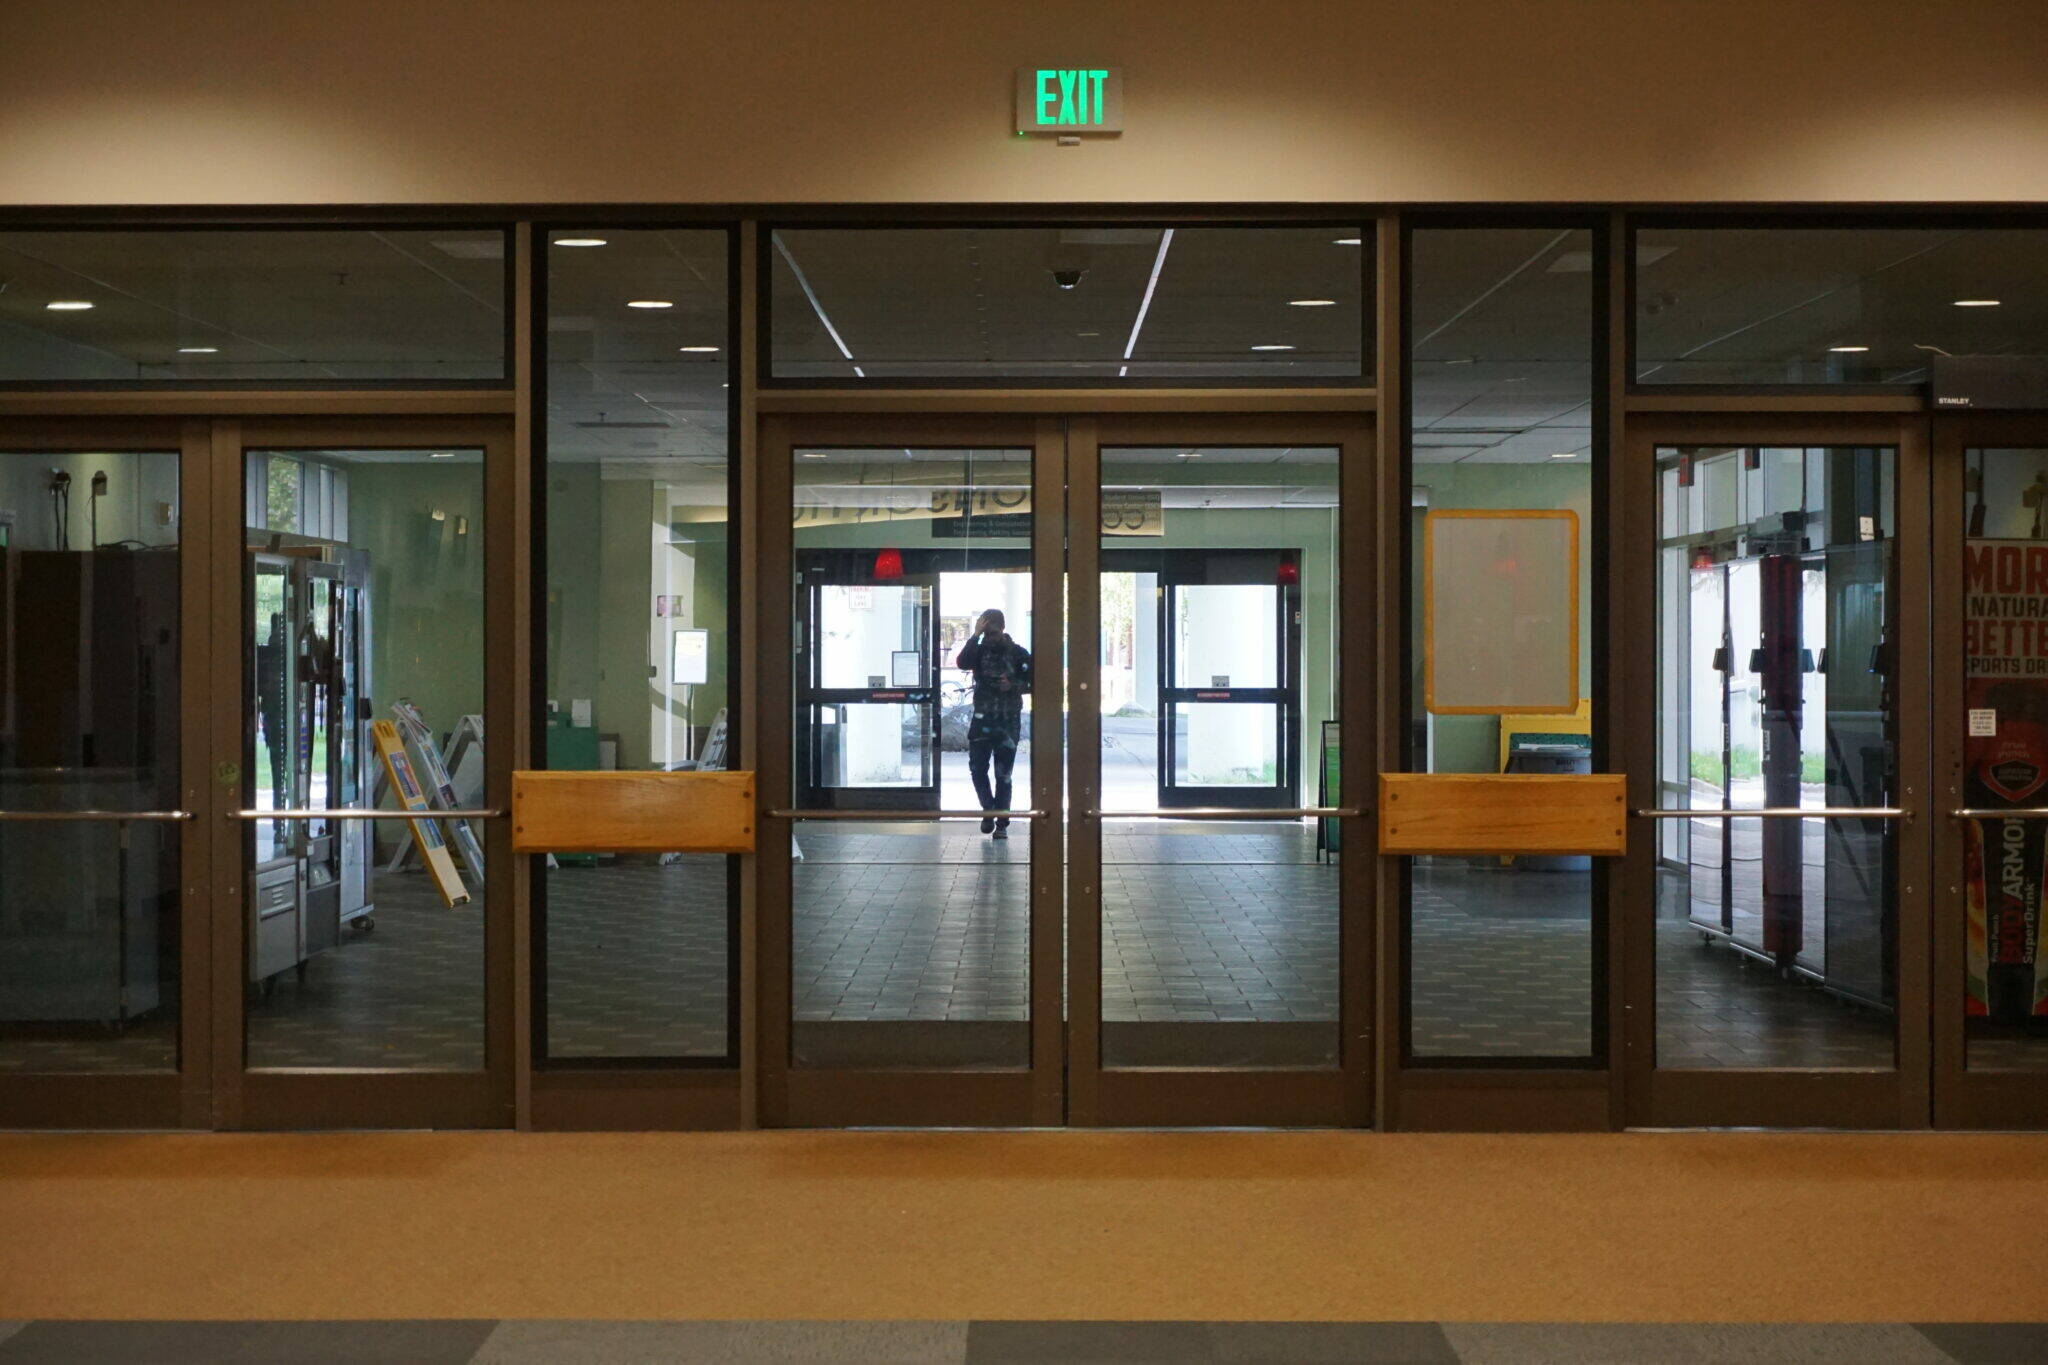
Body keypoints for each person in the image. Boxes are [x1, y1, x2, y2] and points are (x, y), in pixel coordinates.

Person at [955, 608, 1032, 839]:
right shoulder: (978, 650)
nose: (990, 637)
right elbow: (962, 662)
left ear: (1003, 628)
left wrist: (1013, 686)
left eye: (993, 631)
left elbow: (1034, 681)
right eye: (986, 632)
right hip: (982, 719)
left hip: (1008, 721)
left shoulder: (1018, 654)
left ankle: (1002, 823)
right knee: (977, 769)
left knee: (1003, 775)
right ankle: (989, 809)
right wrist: (975, 635)